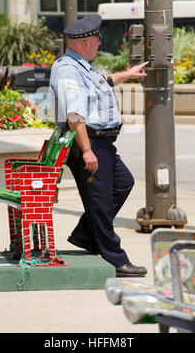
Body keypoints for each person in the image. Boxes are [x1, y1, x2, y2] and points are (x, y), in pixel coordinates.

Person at [49, 14, 149, 277]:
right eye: (96, 41)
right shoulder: (68, 69)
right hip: (89, 141)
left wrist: (127, 74)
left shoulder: (82, 66)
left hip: (102, 142)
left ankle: (86, 234)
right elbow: (74, 115)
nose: (98, 45)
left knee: (123, 183)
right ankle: (115, 258)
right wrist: (87, 151)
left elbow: (102, 83)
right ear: (84, 44)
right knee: (101, 203)